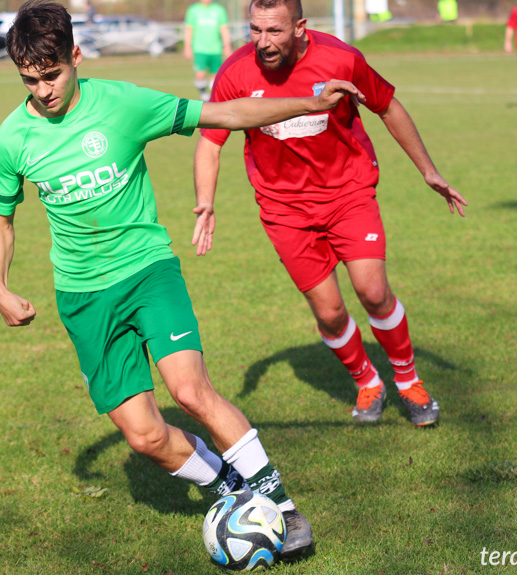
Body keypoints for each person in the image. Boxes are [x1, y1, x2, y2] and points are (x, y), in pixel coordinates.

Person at [0, 0, 360, 558]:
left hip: (147, 270)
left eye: (52, 75)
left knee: (189, 392)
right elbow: (1, 218)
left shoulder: (125, 104)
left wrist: (310, 103)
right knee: (145, 436)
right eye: (30, 80)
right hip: (84, 296)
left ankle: (279, 505)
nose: (42, 91)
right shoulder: (11, 139)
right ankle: (230, 491)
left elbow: (224, 115)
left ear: (76, 57)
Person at [192, 0, 468, 428]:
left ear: (300, 26)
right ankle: (367, 381)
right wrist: (206, 200)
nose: (262, 42)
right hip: (284, 209)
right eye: (255, 30)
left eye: (274, 31)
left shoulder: (341, 58)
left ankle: (409, 380)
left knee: (373, 291)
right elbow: (210, 141)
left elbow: (388, 106)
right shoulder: (236, 73)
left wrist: (428, 170)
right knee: (330, 313)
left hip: (348, 193)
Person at [184, 0, 231, 101]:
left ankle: (213, 97)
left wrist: (227, 45)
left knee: (215, 76)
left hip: (216, 49)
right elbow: (189, 29)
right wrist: (187, 46)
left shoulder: (219, 10)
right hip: (199, 49)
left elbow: (224, 28)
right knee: (200, 74)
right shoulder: (193, 10)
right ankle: (203, 94)